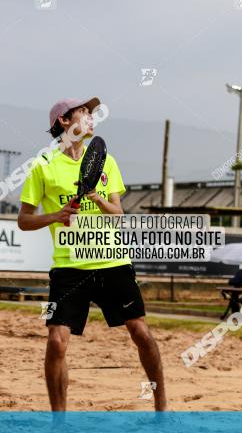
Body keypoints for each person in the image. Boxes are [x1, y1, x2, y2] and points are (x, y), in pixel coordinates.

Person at [17, 97, 167, 412]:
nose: (90, 116)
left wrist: (95, 196)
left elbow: (117, 214)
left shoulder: (104, 161)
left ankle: (161, 405)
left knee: (140, 331)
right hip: (68, 267)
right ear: (63, 121)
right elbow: (24, 220)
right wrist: (55, 216)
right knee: (57, 341)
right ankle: (59, 420)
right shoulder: (42, 165)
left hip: (112, 260)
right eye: (83, 112)